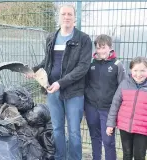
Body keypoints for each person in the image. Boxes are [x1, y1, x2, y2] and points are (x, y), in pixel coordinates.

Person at [26, 4, 92, 160]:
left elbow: (82, 68)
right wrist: (34, 70)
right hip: (52, 90)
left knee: (74, 131)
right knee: (57, 129)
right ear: (59, 17)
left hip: (73, 92)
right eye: (63, 14)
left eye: (70, 14)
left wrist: (61, 83)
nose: (66, 17)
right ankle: (60, 157)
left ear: (75, 18)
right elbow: (47, 62)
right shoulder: (51, 37)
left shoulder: (83, 39)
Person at [106, 56, 147, 160]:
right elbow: (115, 104)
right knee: (127, 155)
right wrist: (110, 124)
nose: (138, 74)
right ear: (131, 70)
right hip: (125, 127)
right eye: (135, 70)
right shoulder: (124, 84)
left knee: (139, 156)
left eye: (142, 70)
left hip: (143, 129)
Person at [84, 34, 126, 160]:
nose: (101, 51)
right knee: (94, 138)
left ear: (110, 47)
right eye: (98, 48)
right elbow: (85, 84)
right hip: (91, 107)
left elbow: (122, 87)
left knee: (108, 141)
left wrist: (118, 108)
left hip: (108, 109)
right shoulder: (90, 63)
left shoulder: (117, 65)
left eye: (104, 47)